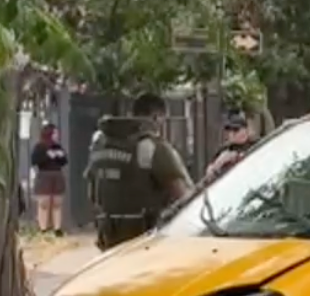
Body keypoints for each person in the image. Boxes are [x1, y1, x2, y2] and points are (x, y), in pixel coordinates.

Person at [85, 92, 194, 250]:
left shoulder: (100, 144)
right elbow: (183, 197)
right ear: (157, 117)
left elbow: (92, 193)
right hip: (146, 242)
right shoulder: (153, 147)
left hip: (109, 240)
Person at [29, 123, 68, 236]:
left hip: (57, 175)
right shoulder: (40, 146)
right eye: (55, 133)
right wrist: (47, 156)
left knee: (57, 203)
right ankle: (43, 228)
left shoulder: (58, 147)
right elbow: (34, 160)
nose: (57, 135)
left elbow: (64, 161)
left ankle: (57, 228)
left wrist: (59, 155)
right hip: (44, 175)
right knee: (44, 203)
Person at [202, 112, 256, 187]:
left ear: (246, 130)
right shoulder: (223, 150)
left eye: (236, 130)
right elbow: (209, 176)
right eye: (229, 130)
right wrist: (219, 163)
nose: (231, 134)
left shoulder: (255, 145)